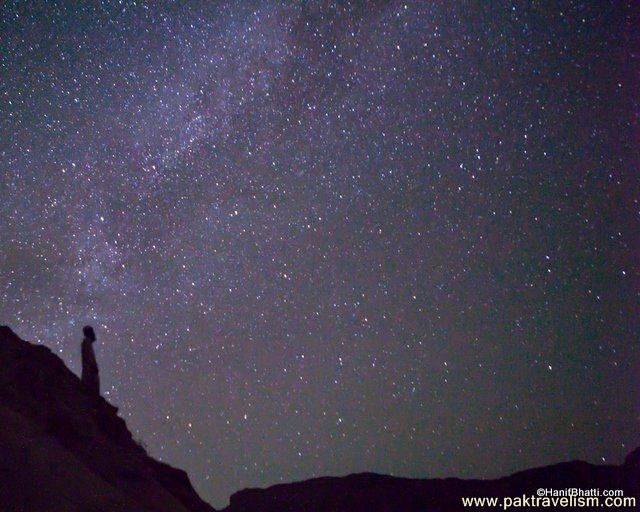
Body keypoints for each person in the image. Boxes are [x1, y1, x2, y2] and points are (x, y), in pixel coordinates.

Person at [81, 325, 100, 395]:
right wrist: (93, 367)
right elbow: (89, 358)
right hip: (90, 374)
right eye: (92, 332)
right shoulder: (86, 342)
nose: (94, 334)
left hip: (90, 373)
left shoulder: (87, 343)